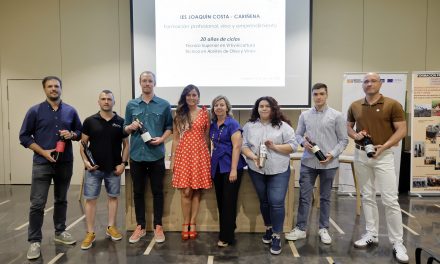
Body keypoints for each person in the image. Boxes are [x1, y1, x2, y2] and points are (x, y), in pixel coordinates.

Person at [347, 72, 409, 263]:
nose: (369, 84)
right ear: (362, 85)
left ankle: (398, 242)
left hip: (384, 155)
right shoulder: (355, 105)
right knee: (367, 196)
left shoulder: (393, 104)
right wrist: (354, 135)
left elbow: (402, 129)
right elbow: (349, 127)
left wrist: (386, 146)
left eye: (373, 81)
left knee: (390, 200)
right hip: (361, 154)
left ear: (380, 84)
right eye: (366, 81)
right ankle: (371, 234)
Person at [19, 76, 82, 260]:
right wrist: (43, 151)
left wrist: (71, 134)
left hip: (65, 163)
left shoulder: (70, 111)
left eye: (57, 86)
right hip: (42, 163)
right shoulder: (35, 111)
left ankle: (60, 232)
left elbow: (79, 132)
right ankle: (34, 241)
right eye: (50, 86)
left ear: (61, 88)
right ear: (44, 89)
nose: (54, 89)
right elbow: (24, 137)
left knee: (61, 200)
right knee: (37, 204)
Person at [286, 83, 348, 244]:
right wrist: (302, 143)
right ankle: (300, 229)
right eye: (315, 94)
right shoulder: (304, 115)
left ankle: (323, 229)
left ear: (327, 95)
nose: (318, 97)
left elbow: (343, 140)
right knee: (305, 197)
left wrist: (333, 154)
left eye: (321, 94)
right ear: (312, 96)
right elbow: (298, 135)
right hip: (308, 162)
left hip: (329, 163)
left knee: (325, 197)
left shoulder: (337, 116)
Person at [241, 96, 298, 255]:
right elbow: (244, 146)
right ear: (257, 109)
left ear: (273, 108)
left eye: (267, 106)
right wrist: (252, 157)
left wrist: (274, 147)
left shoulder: (283, 127)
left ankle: (276, 235)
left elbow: (293, 146)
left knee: (277, 202)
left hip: (278, 170)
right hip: (256, 170)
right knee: (264, 201)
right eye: (261, 106)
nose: (264, 109)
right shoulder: (249, 126)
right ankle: (268, 228)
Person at [124, 71, 173, 244]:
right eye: (144, 81)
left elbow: (169, 127)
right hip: (137, 155)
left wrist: (162, 139)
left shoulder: (164, 104)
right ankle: (140, 226)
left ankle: (158, 225)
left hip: (156, 155)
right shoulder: (131, 105)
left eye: (150, 81)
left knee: (157, 192)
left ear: (154, 83)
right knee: (138, 192)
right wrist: (131, 126)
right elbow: (125, 129)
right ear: (140, 83)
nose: (147, 83)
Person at [79, 90, 129, 250]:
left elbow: (126, 145)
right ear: (98, 101)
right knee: (91, 200)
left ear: (114, 102)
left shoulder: (121, 121)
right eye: (103, 99)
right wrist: (86, 162)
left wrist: (123, 163)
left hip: (113, 168)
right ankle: (90, 233)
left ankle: (111, 227)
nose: (106, 101)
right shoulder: (89, 121)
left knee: (113, 197)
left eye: (109, 99)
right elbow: (83, 145)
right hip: (94, 169)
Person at [170, 84, 211, 240]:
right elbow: (175, 139)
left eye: (194, 95)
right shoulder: (179, 114)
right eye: (189, 95)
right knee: (186, 191)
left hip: (200, 155)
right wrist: (172, 159)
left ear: (198, 97)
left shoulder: (204, 113)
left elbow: (206, 137)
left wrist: (209, 157)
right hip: (184, 155)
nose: (191, 98)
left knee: (197, 190)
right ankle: (185, 222)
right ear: (184, 97)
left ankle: (192, 223)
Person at [210, 95, 246, 247]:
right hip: (217, 166)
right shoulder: (213, 124)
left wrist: (233, 170)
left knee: (229, 203)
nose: (219, 107)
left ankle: (226, 237)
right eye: (216, 105)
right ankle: (229, 228)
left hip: (231, 167)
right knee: (221, 201)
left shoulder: (232, 123)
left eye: (222, 105)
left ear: (227, 107)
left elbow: (237, 147)